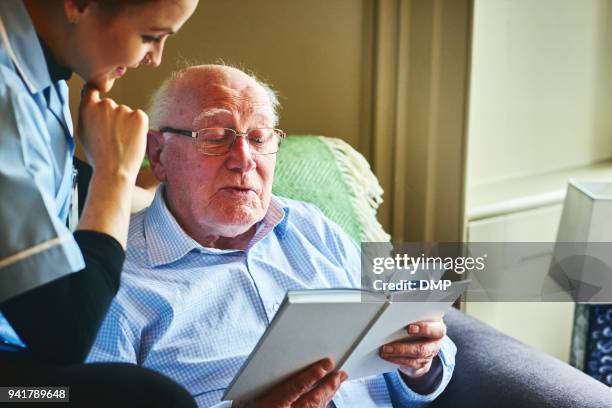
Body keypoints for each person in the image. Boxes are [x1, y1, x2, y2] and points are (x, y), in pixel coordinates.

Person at [87, 64, 457, 408]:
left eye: (260, 138)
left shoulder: (313, 228)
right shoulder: (115, 279)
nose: (244, 159)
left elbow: (416, 356)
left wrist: (422, 363)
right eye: (216, 137)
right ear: (159, 154)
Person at [0, 0, 198, 406]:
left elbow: (44, 188)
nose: (154, 60)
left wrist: (135, 188)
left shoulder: (43, 72)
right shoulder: (8, 97)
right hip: (15, 390)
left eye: (261, 137)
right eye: (150, 37)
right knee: (149, 399)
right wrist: (114, 171)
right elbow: (65, 334)